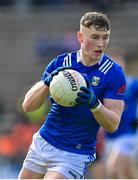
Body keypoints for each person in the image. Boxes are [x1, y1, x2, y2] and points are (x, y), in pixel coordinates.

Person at [18, 11, 126, 179]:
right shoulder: (62, 63)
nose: (101, 43)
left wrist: (94, 103)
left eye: (105, 37)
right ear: (80, 37)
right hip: (44, 142)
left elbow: (112, 124)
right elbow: (28, 106)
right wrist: (48, 82)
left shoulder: (113, 73)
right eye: (95, 37)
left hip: (74, 153)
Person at [103, 50, 138, 179]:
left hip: (129, 135)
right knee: (127, 173)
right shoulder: (104, 88)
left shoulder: (132, 83)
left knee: (113, 169)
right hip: (110, 137)